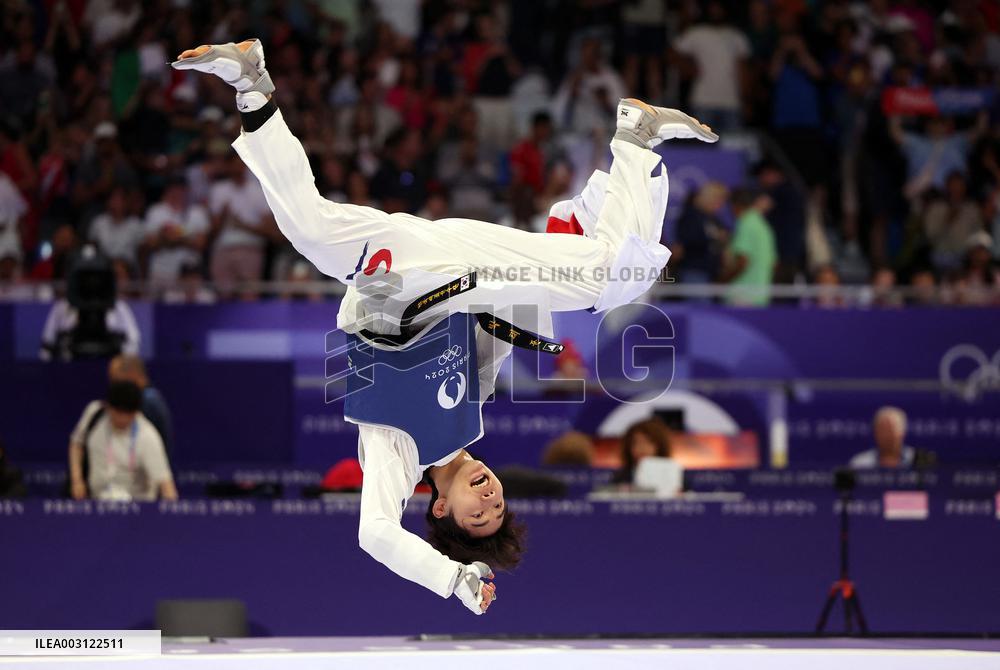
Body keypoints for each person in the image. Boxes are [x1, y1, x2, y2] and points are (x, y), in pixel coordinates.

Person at [172, 39, 716, 615]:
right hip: (458, 270)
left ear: (439, 509)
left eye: (478, 514)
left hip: (388, 286)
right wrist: (550, 278)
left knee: (306, 226)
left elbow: (375, 534)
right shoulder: (471, 409)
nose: (490, 496)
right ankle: (636, 137)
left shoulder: (398, 453)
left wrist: (453, 580)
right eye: (499, 507)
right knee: (617, 281)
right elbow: (506, 313)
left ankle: (250, 83)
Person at [68, 381, 177, 501]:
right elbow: (77, 444)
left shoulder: (148, 436)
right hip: (96, 501)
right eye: (118, 413)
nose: (122, 419)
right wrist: (77, 480)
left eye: (128, 414)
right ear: (108, 407)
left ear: (136, 412)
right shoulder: (94, 414)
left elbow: (166, 485)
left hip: (137, 507)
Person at [108, 354, 174, 457]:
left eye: (116, 380)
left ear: (132, 375)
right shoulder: (149, 397)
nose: (114, 386)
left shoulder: (148, 401)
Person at [721, 189, 777, 306]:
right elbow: (774, 263)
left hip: (741, 297)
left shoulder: (746, 223)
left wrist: (723, 281)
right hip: (760, 296)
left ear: (735, 205)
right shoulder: (762, 225)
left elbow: (743, 261)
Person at [848, 407, 916, 469]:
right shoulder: (860, 464)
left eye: (891, 430)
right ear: (875, 433)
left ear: (903, 432)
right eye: (883, 430)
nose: (887, 436)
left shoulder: (919, 461)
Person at [611, 418, 673, 485]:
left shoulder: (675, 474)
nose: (641, 448)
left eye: (648, 442)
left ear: (660, 445)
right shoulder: (620, 478)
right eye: (635, 442)